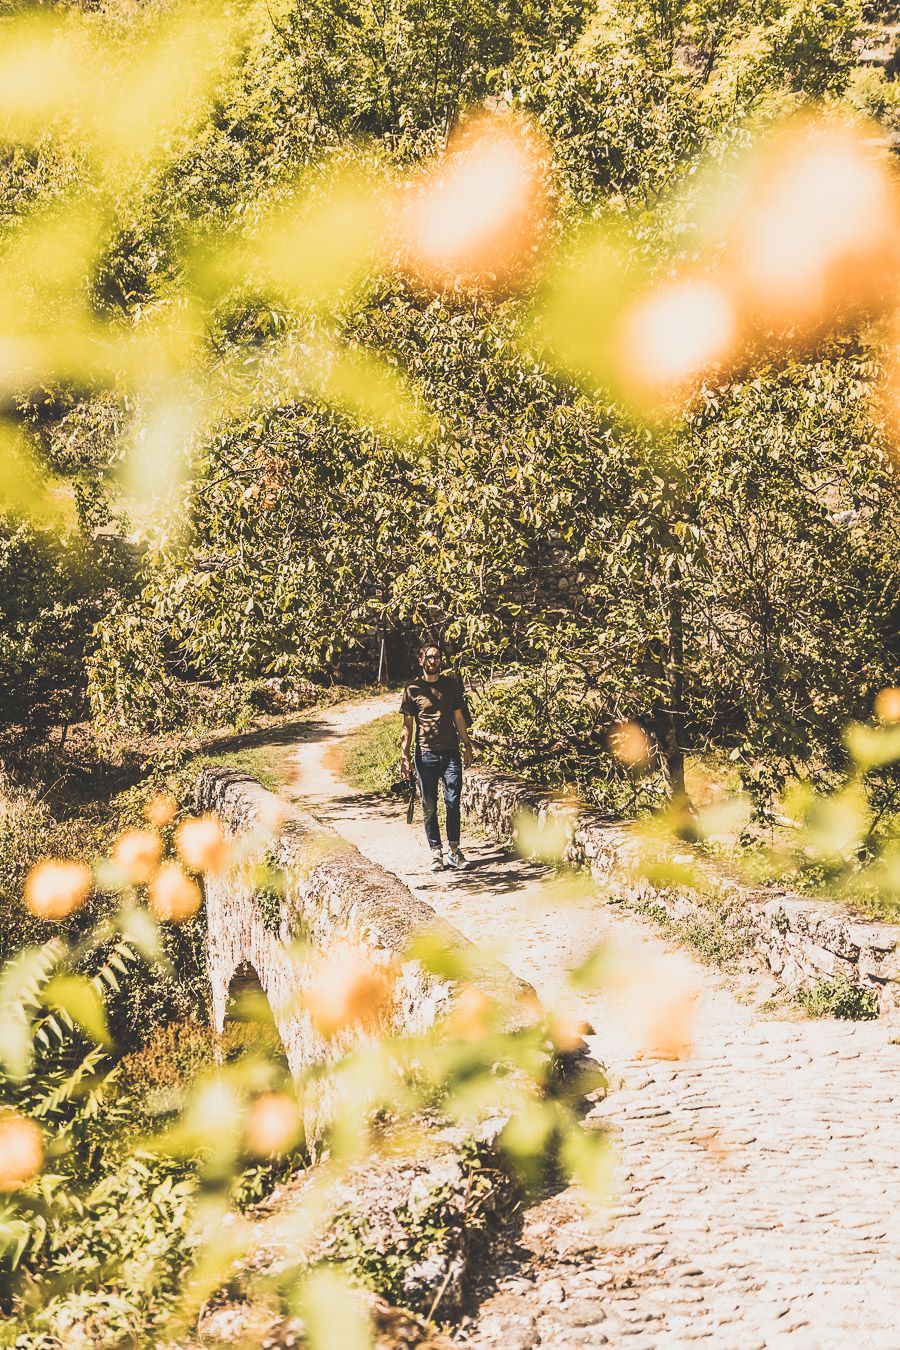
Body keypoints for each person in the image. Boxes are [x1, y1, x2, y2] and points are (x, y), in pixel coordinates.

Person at [400, 644, 474, 872]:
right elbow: (407, 726)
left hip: (451, 752)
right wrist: (405, 757)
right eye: (429, 657)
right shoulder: (413, 689)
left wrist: (467, 744)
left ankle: (453, 851)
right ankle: (436, 852)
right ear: (421, 660)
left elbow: (459, 717)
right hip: (425, 754)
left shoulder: (451, 685)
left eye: (437, 657)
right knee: (429, 805)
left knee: (453, 801)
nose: (434, 660)